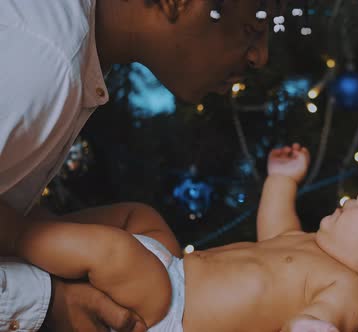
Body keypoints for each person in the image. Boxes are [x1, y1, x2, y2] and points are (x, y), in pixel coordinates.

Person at [0, 0, 271, 330]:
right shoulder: (45, 65)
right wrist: (47, 299)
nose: (261, 57)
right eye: (252, 29)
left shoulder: (67, 53)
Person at [1, 144, 358, 332]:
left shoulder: (348, 289)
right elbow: (274, 226)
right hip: (173, 267)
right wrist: (283, 181)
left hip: (172, 310)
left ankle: (20, 231)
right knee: (139, 216)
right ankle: (53, 235)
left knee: (114, 250)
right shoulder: (308, 246)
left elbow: (319, 323)